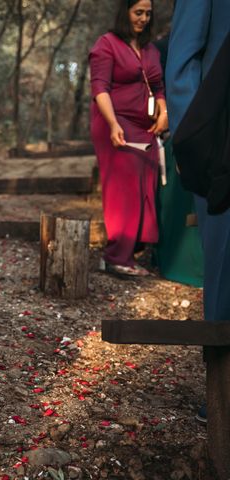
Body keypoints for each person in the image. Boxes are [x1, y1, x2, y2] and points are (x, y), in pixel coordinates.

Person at [166, 0, 230, 429]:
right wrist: (198, 144)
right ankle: (224, 390)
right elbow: (183, 59)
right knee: (226, 272)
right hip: (222, 147)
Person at [89, 0, 168, 276]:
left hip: (144, 127)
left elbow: (158, 86)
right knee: (124, 189)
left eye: (148, 13)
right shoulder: (106, 44)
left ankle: (132, 251)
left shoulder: (150, 49)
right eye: (138, 12)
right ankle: (116, 257)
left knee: (145, 186)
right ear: (125, 12)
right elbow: (100, 88)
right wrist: (112, 124)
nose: (144, 18)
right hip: (114, 122)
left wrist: (164, 109)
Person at [152, 32, 203, 287]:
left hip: (204, 130)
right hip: (172, 133)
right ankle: (170, 258)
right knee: (173, 197)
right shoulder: (162, 47)